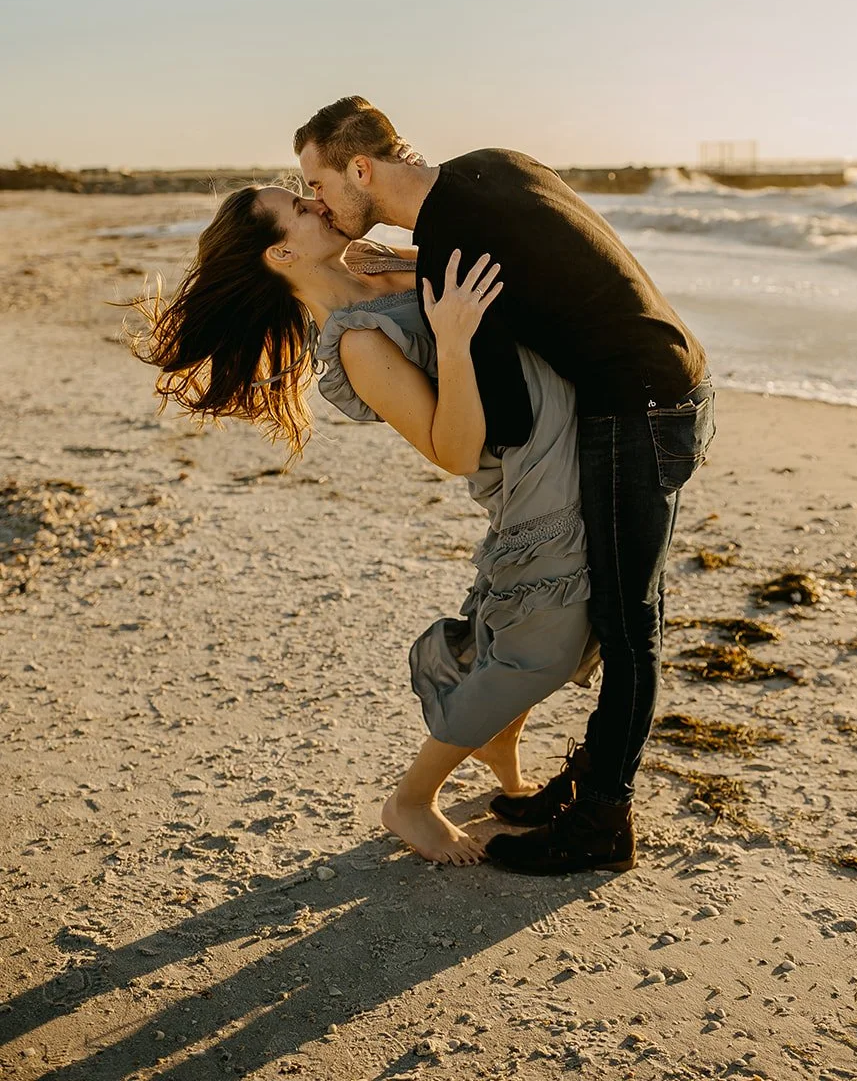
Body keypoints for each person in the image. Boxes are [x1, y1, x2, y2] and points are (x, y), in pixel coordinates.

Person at [296, 97, 715, 876]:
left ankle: (601, 822)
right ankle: (584, 785)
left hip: (634, 408)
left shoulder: (454, 242)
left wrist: (439, 325)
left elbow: (509, 418)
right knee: (629, 619)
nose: (318, 203)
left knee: (629, 628)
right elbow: (548, 266)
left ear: (361, 169)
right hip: (668, 378)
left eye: (317, 183)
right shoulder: (494, 167)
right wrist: (422, 275)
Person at [131, 185, 601, 867]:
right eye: (298, 203)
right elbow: (454, 450)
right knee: (543, 647)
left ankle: (497, 737)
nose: (318, 203)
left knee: (567, 628)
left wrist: (416, 260)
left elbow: (487, 273)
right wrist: (456, 341)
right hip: (528, 479)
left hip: (558, 444)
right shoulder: (357, 344)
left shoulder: (375, 269)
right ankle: (412, 800)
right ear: (283, 250)